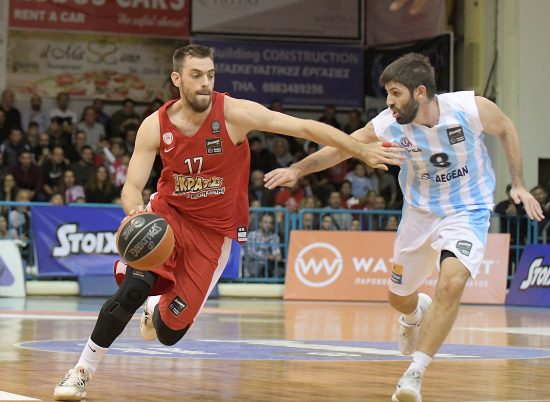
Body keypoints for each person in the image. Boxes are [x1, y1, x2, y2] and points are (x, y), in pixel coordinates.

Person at [53, 44, 404, 401]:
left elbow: (303, 127)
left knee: (169, 333)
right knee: (133, 289)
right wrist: (136, 212)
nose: (205, 83)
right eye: (196, 75)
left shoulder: (234, 114)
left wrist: (360, 150)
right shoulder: (155, 126)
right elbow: (131, 188)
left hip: (213, 233)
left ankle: (156, 308)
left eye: (210, 75)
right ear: (177, 79)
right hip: (168, 217)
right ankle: (81, 371)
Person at [264, 53, 544, 402]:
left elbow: (506, 128)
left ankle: (415, 373)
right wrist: (298, 170)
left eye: (395, 93)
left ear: (420, 92)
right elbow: (341, 149)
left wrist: (518, 184)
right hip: (419, 214)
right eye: (388, 94)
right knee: (398, 298)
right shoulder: (388, 124)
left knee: (452, 283)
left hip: (467, 210)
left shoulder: (470, 108)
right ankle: (413, 314)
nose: (389, 101)